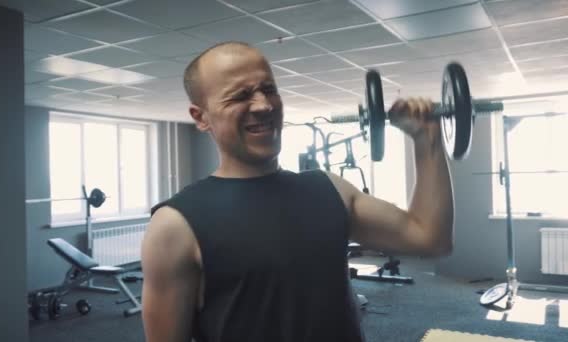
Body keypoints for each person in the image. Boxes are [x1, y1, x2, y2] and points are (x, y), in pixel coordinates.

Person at [141, 41, 454, 342]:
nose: (263, 105)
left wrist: (427, 140)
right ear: (201, 117)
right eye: (240, 96)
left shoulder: (329, 189)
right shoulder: (176, 224)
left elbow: (429, 238)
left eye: (269, 89)